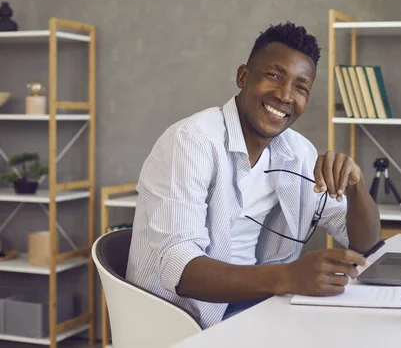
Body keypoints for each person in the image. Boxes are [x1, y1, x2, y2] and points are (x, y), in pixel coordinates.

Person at [126, 22, 381, 329]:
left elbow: (364, 246)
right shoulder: (190, 141)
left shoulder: (299, 153)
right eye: (275, 76)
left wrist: (356, 188)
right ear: (243, 77)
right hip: (183, 322)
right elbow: (179, 269)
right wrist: (288, 277)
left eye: (301, 87)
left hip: (258, 306)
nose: (286, 95)